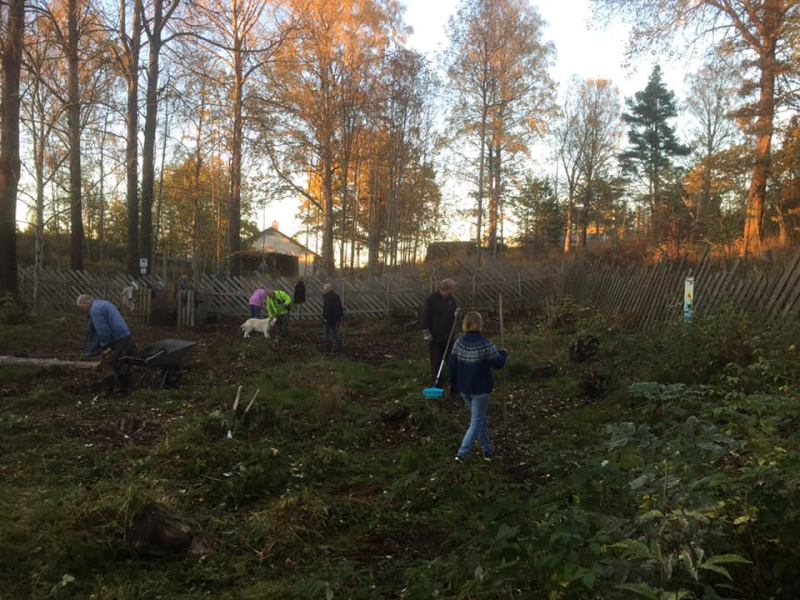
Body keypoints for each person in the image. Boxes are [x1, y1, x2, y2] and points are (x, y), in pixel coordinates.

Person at [448, 311, 507, 460]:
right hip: (480, 390)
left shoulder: (459, 342)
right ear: (480, 323)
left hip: (464, 389)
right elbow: (498, 363)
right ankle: (461, 454)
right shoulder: (485, 343)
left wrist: (453, 384)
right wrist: (503, 353)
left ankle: (487, 449)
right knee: (476, 422)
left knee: (479, 419)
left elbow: (452, 365)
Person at [77, 294, 133, 395]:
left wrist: (105, 345)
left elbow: (103, 330)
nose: (82, 310)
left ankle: (109, 389)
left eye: (82, 308)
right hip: (124, 334)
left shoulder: (95, 310)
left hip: (116, 338)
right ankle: (124, 389)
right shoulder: (103, 303)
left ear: (86, 303)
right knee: (118, 361)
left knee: (106, 363)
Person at [421, 278, 458, 389]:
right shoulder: (431, 299)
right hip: (435, 338)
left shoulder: (451, 299)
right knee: (436, 362)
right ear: (445, 289)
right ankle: (436, 385)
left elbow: (455, 311)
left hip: (449, 336)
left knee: (452, 361)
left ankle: (454, 386)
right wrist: (426, 331)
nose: (453, 291)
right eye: (451, 289)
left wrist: (457, 314)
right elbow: (424, 315)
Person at [322, 283, 343, 352]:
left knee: (326, 332)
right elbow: (340, 307)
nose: (324, 290)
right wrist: (339, 318)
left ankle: (328, 348)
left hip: (329, 318)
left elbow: (327, 308)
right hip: (335, 318)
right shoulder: (336, 296)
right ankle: (339, 343)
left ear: (327, 289)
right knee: (334, 331)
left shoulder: (327, 297)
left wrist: (325, 318)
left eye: (324, 289)